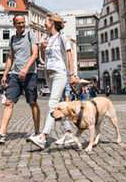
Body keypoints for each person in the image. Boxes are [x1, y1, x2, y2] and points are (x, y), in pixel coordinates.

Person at [0, 14, 40, 144]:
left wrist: (26, 69)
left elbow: (35, 53)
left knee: (32, 103)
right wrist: (5, 74)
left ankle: (37, 132)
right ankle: (1, 133)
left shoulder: (30, 35)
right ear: (14, 24)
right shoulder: (12, 39)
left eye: (23, 22)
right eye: (18, 23)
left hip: (30, 74)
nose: (21, 25)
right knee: (8, 102)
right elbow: (10, 57)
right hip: (15, 74)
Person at [27, 13, 76, 150]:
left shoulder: (62, 37)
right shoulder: (46, 38)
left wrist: (71, 74)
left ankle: (43, 136)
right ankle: (68, 133)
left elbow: (69, 56)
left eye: (46, 22)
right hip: (49, 74)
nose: (44, 24)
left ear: (52, 22)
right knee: (57, 106)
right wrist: (42, 48)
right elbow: (43, 59)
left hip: (60, 72)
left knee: (52, 103)